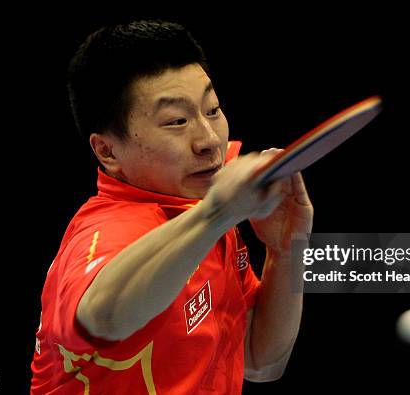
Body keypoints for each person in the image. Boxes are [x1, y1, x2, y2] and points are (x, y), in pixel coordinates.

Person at [30, 19, 313, 394]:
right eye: (176, 121)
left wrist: (285, 252)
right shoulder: (111, 231)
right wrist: (218, 214)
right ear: (107, 151)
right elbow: (105, 316)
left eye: (212, 110)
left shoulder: (196, 202)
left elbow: (261, 361)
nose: (210, 140)